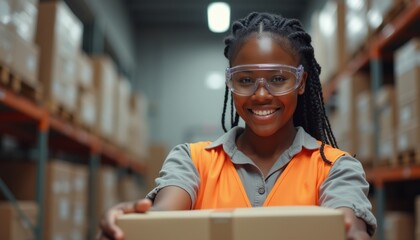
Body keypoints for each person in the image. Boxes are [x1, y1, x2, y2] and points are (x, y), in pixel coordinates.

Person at [98, 12, 376, 240]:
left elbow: (347, 224)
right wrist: (133, 227)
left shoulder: (336, 168)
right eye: (245, 80)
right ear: (230, 84)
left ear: (301, 82)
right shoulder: (192, 161)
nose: (261, 94)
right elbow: (163, 218)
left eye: (278, 79)